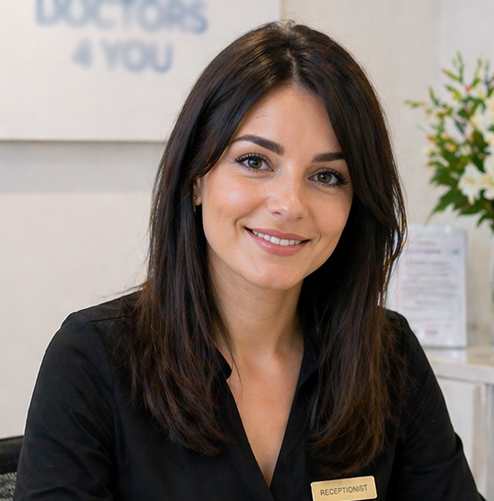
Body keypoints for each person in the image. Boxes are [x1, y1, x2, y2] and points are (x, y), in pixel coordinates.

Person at [14, 21, 484, 500]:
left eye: (326, 175)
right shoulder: (93, 359)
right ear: (196, 177)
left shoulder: (390, 356)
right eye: (255, 162)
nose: (289, 205)